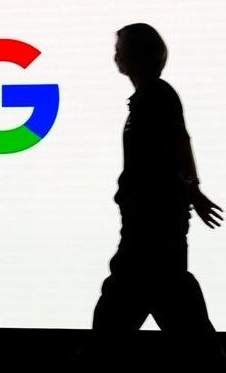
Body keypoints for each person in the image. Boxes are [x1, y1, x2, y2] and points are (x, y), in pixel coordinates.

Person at [72, 23, 226, 371]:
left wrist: (192, 188)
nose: (116, 54)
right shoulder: (147, 98)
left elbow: (179, 141)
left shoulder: (157, 95)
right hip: (151, 223)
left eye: (122, 47)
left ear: (140, 54)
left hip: (152, 225)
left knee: (129, 299)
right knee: (172, 299)